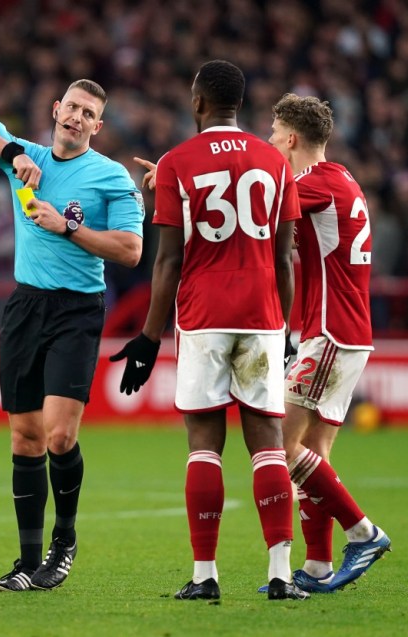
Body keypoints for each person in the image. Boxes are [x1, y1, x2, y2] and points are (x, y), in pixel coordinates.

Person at [111, 60, 308, 601]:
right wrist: (285, 331)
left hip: (202, 317)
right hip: (263, 316)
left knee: (204, 445)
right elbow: (286, 258)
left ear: (198, 103)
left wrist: (149, 338)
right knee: (267, 444)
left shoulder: (177, 163)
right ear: (238, 106)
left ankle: (205, 577)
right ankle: (280, 575)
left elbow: (167, 262)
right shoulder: (275, 162)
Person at [0, 79, 145, 592]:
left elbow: (130, 251)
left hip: (77, 310)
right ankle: (26, 561)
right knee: (25, 437)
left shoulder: (110, 176)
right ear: (56, 110)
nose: (76, 117)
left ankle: (64, 542)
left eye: (88, 113)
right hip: (24, 305)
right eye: (71, 107)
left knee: (60, 434)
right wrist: (12, 152)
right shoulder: (27, 157)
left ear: (97, 126)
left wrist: (67, 228)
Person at [267, 93, 390, 592]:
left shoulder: (312, 185)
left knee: (279, 444)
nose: (270, 144)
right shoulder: (341, 179)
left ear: (291, 139)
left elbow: (262, 210)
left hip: (331, 332)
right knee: (313, 452)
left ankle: (364, 532)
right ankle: (317, 566)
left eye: (274, 136)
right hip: (342, 331)